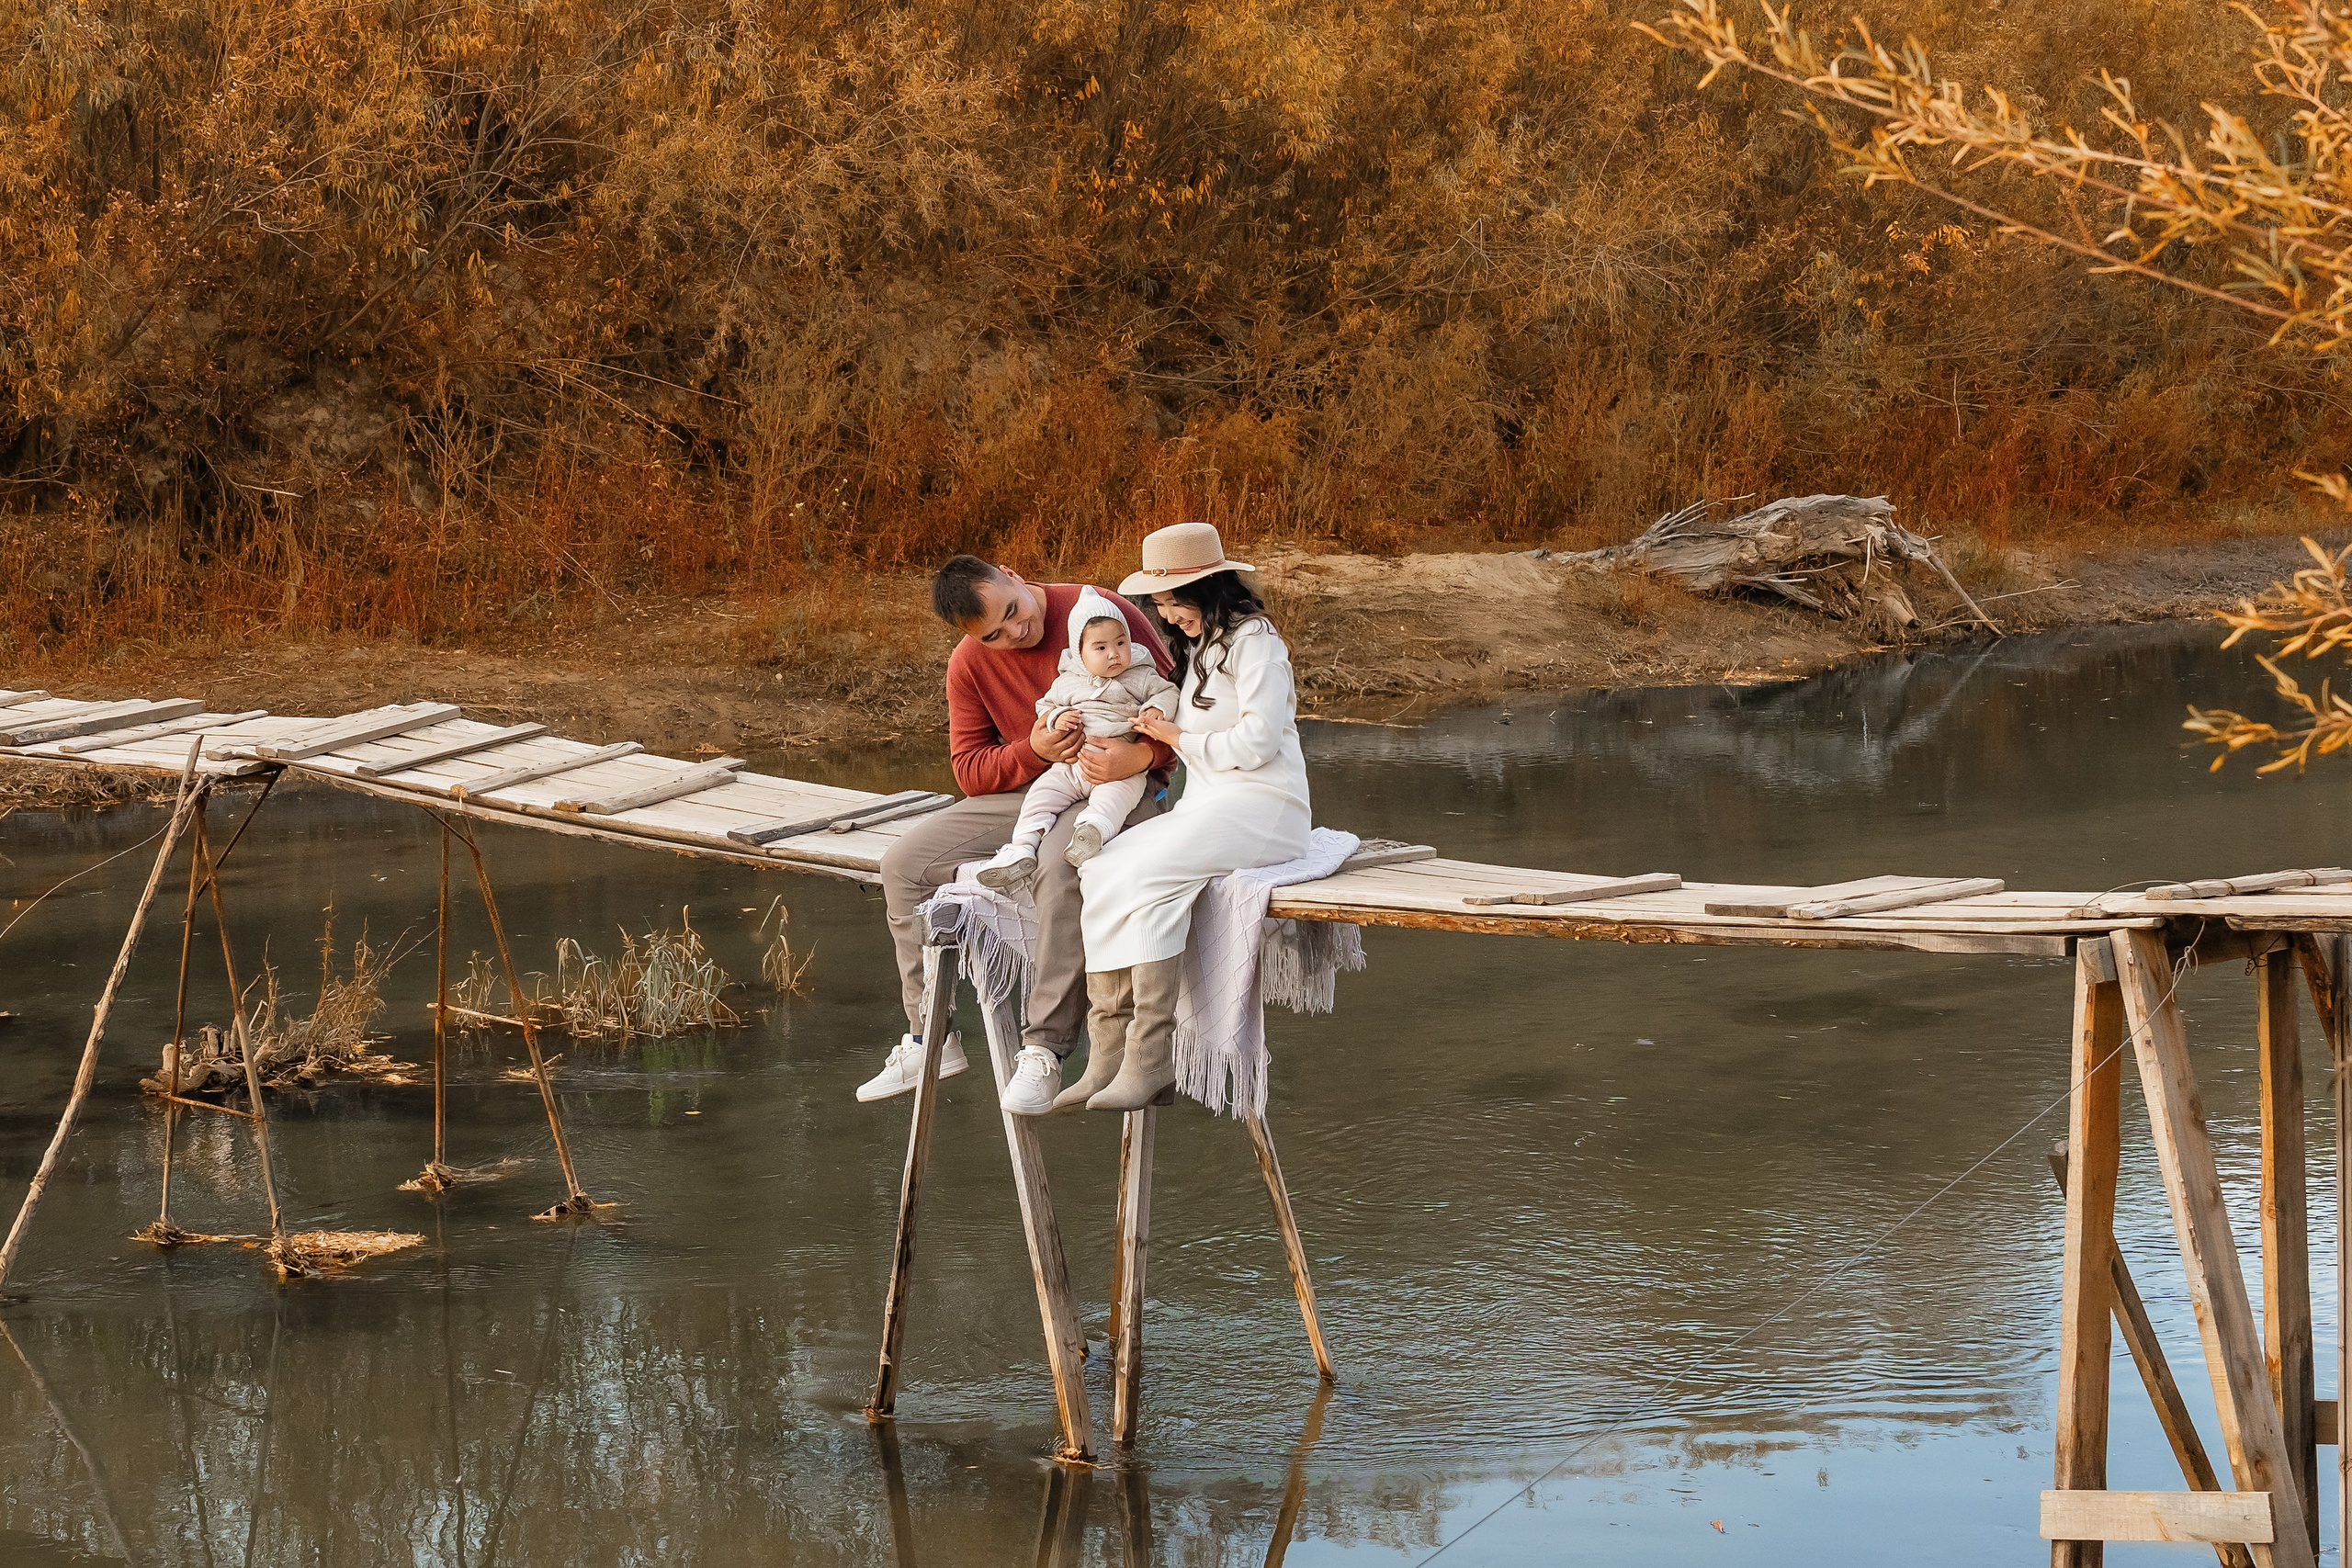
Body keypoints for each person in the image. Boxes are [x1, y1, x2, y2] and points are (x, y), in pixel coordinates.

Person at [861, 557, 1174, 1111]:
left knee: (1059, 866)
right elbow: (970, 771)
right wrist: (1033, 751)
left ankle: (1046, 1050)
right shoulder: (969, 664)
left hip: (1121, 786)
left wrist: (1143, 755)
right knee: (903, 864)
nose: (1015, 632)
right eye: (994, 633)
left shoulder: (1098, 612)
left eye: (1012, 611)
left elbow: (1187, 705)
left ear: (1010, 573)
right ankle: (928, 1038)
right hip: (1041, 785)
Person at [1057, 522, 1313, 1112]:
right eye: (1162, 605)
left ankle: (1151, 1057)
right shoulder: (1200, 647)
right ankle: (1108, 1053)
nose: (1167, 616)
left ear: (1210, 588)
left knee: (1148, 874)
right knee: (1102, 865)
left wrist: (1175, 736)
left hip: (1265, 807)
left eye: (1175, 602)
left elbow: (1257, 744)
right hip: (1211, 804)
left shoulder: (1259, 644)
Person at [974, 588, 1178, 896]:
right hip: (1071, 767)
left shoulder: (1142, 675)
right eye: (1100, 647)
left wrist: (1157, 709)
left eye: (1121, 643)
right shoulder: (1068, 681)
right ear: (1079, 652)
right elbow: (1046, 707)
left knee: (1116, 801)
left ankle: (1091, 831)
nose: (1114, 653)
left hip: (1121, 767)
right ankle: (1021, 848)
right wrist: (1059, 718)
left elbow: (1169, 692)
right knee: (1040, 796)